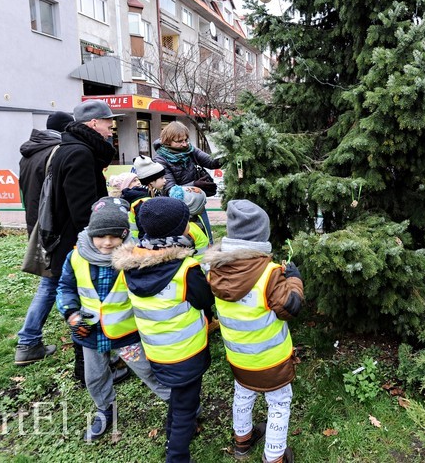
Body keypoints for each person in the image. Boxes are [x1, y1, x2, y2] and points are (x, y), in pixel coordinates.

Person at [14, 99, 121, 376]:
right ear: (94, 123)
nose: (112, 128)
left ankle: (88, 362)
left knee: (72, 295)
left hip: (65, 239)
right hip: (75, 241)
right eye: (109, 122)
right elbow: (84, 211)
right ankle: (86, 366)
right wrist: (101, 240)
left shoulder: (72, 148)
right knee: (84, 300)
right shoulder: (79, 153)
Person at [56, 197, 170, 441]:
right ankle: (105, 409)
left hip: (126, 335)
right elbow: (65, 287)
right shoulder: (76, 257)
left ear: (126, 234)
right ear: (90, 233)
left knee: (148, 371)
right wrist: (71, 313)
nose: (107, 243)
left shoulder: (135, 257)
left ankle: (180, 407)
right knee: (94, 377)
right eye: (101, 236)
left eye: (115, 236)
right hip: (90, 333)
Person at [113, 197, 214, 463]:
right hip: (186, 352)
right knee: (185, 406)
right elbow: (205, 299)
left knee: (178, 399)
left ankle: (175, 431)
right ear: (180, 230)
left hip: (156, 350)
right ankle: (177, 456)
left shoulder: (130, 269)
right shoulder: (186, 269)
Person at [205, 200, 304, 463]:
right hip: (271, 360)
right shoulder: (269, 274)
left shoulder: (214, 270)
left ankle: (242, 440)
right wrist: (294, 279)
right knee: (280, 403)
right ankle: (274, 457)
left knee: (243, 394)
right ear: (261, 237)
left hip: (238, 358)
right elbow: (290, 308)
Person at [154, 121, 220, 243]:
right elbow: (170, 189)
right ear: (167, 141)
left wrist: (223, 152)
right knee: (184, 241)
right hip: (176, 209)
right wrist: (195, 184)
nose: (184, 144)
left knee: (207, 239)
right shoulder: (160, 160)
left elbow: (212, 162)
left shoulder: (190, 150)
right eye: (179, 141)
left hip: (197, 203)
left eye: (186, 140)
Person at [19, 111, 73, 235]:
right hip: (49, 217)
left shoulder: (29, 152)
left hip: (33, 212)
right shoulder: (57, 150)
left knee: (38, 250)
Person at [168, 185, 211, 263]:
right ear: (192, 208)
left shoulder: (196, 218)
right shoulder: (186, 230)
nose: (205, 204)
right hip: (196, 268)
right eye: (202, 204)